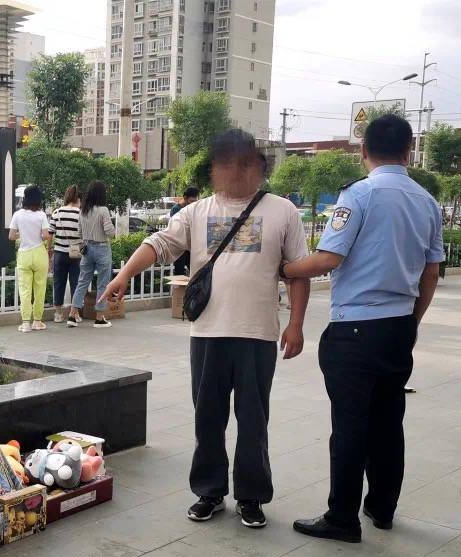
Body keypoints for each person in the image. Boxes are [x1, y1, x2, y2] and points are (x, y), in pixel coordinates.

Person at [99, 129, 311, 527]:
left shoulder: (284, 211)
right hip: (208, 335)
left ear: (258, 167)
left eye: (243, 162)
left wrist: (296, 325)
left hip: (257, 335)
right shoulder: (198, 212)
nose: (234, 171)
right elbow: (159, 243)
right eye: (226, 163)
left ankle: (251, 496)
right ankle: (209, 492)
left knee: (253, 420)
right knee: (207, 417)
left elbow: (297, 273)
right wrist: (123, 274)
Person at [281, 114, 443, 543]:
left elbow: (328, 259)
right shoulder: (426, 201)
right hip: (398, 327)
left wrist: (286, 268)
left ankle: (342, 518)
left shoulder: (360, 194)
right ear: (409, 150)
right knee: (389, 421)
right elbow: (430, 274)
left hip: (356, 330)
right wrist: (411, 321)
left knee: (351, 425)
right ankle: (382, 507)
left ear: (363, 150)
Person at [70, 180, 116, 329]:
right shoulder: (103, 210)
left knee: (82, 281)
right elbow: (110, 231)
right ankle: (99, 317)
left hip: (87, 249)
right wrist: (114, 232)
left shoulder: (83, 210)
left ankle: (72, 314)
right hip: (102, 248)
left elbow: (79, 232)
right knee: (103, 283)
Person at [10, 185, 51, 333]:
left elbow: (11, 236)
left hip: (24, 254)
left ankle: (25, 323)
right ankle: (37, 321)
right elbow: (46, 236)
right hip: (39, 253)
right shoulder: (41, 215)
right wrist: (38, 235)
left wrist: (22, 234)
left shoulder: (17, 215)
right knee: (40, 288)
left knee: (25, 289)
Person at [49, 185, 83, 323]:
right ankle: (74, 314)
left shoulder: (56, 213)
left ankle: (58, 313)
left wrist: (49, 251)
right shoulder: (81, 214)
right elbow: (84, 235)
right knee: (76, 283)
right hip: (76, 254)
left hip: (59, 253)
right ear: (78, 198)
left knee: (58, 282)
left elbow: (50, 234)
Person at [171, 187, 200, 276]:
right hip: (179, 246)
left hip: (190, 246)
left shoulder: (192, 209)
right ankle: (178, 289)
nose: (193, 204)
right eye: (191, 201)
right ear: (185, 198)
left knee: (196, 270)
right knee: (179, 272)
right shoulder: (176, 210)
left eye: (195, 201)